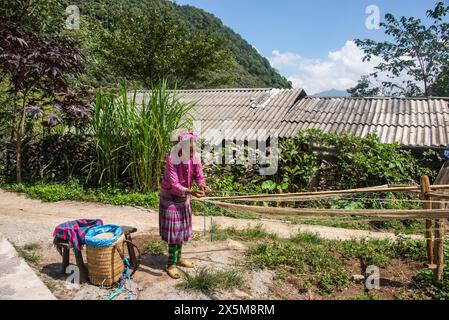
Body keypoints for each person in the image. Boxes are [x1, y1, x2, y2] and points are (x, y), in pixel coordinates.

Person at [159, 129, 211, 279]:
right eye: (189, 145)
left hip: (184, 196)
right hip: (170, 198)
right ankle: (171, 264)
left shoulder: (195, 157)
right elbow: (174, 184)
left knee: (181, 231)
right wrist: (191, 192)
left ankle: (179, 258)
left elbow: (198, 175)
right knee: (174, 233)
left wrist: (202, 185)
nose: (193, 148)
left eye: (193, 145)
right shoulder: (171, 159)